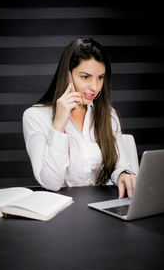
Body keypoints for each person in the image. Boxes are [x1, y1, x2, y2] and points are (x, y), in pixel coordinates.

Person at [23, 37, 137, 198]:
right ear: (67, 75)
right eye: (85, 77)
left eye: (100, 77)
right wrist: (59, 125)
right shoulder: (35, 116)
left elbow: (119, 164)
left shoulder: (107, 114)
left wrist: (123, 174)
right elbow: (52, 183)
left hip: (99, 207)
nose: (94, 87)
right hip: (60, 211)